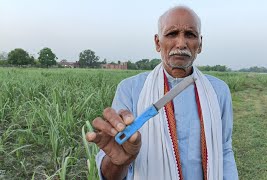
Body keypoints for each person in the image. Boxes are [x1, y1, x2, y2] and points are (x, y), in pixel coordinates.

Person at [86, 5, 238, 180]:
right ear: (158, 43)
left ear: (200, 44)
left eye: (190, 34)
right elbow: (113, 168)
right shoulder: (131, 89)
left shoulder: (218, 91)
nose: (181, 44)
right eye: (172, 34)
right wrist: (118, 162)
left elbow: (224, 148)